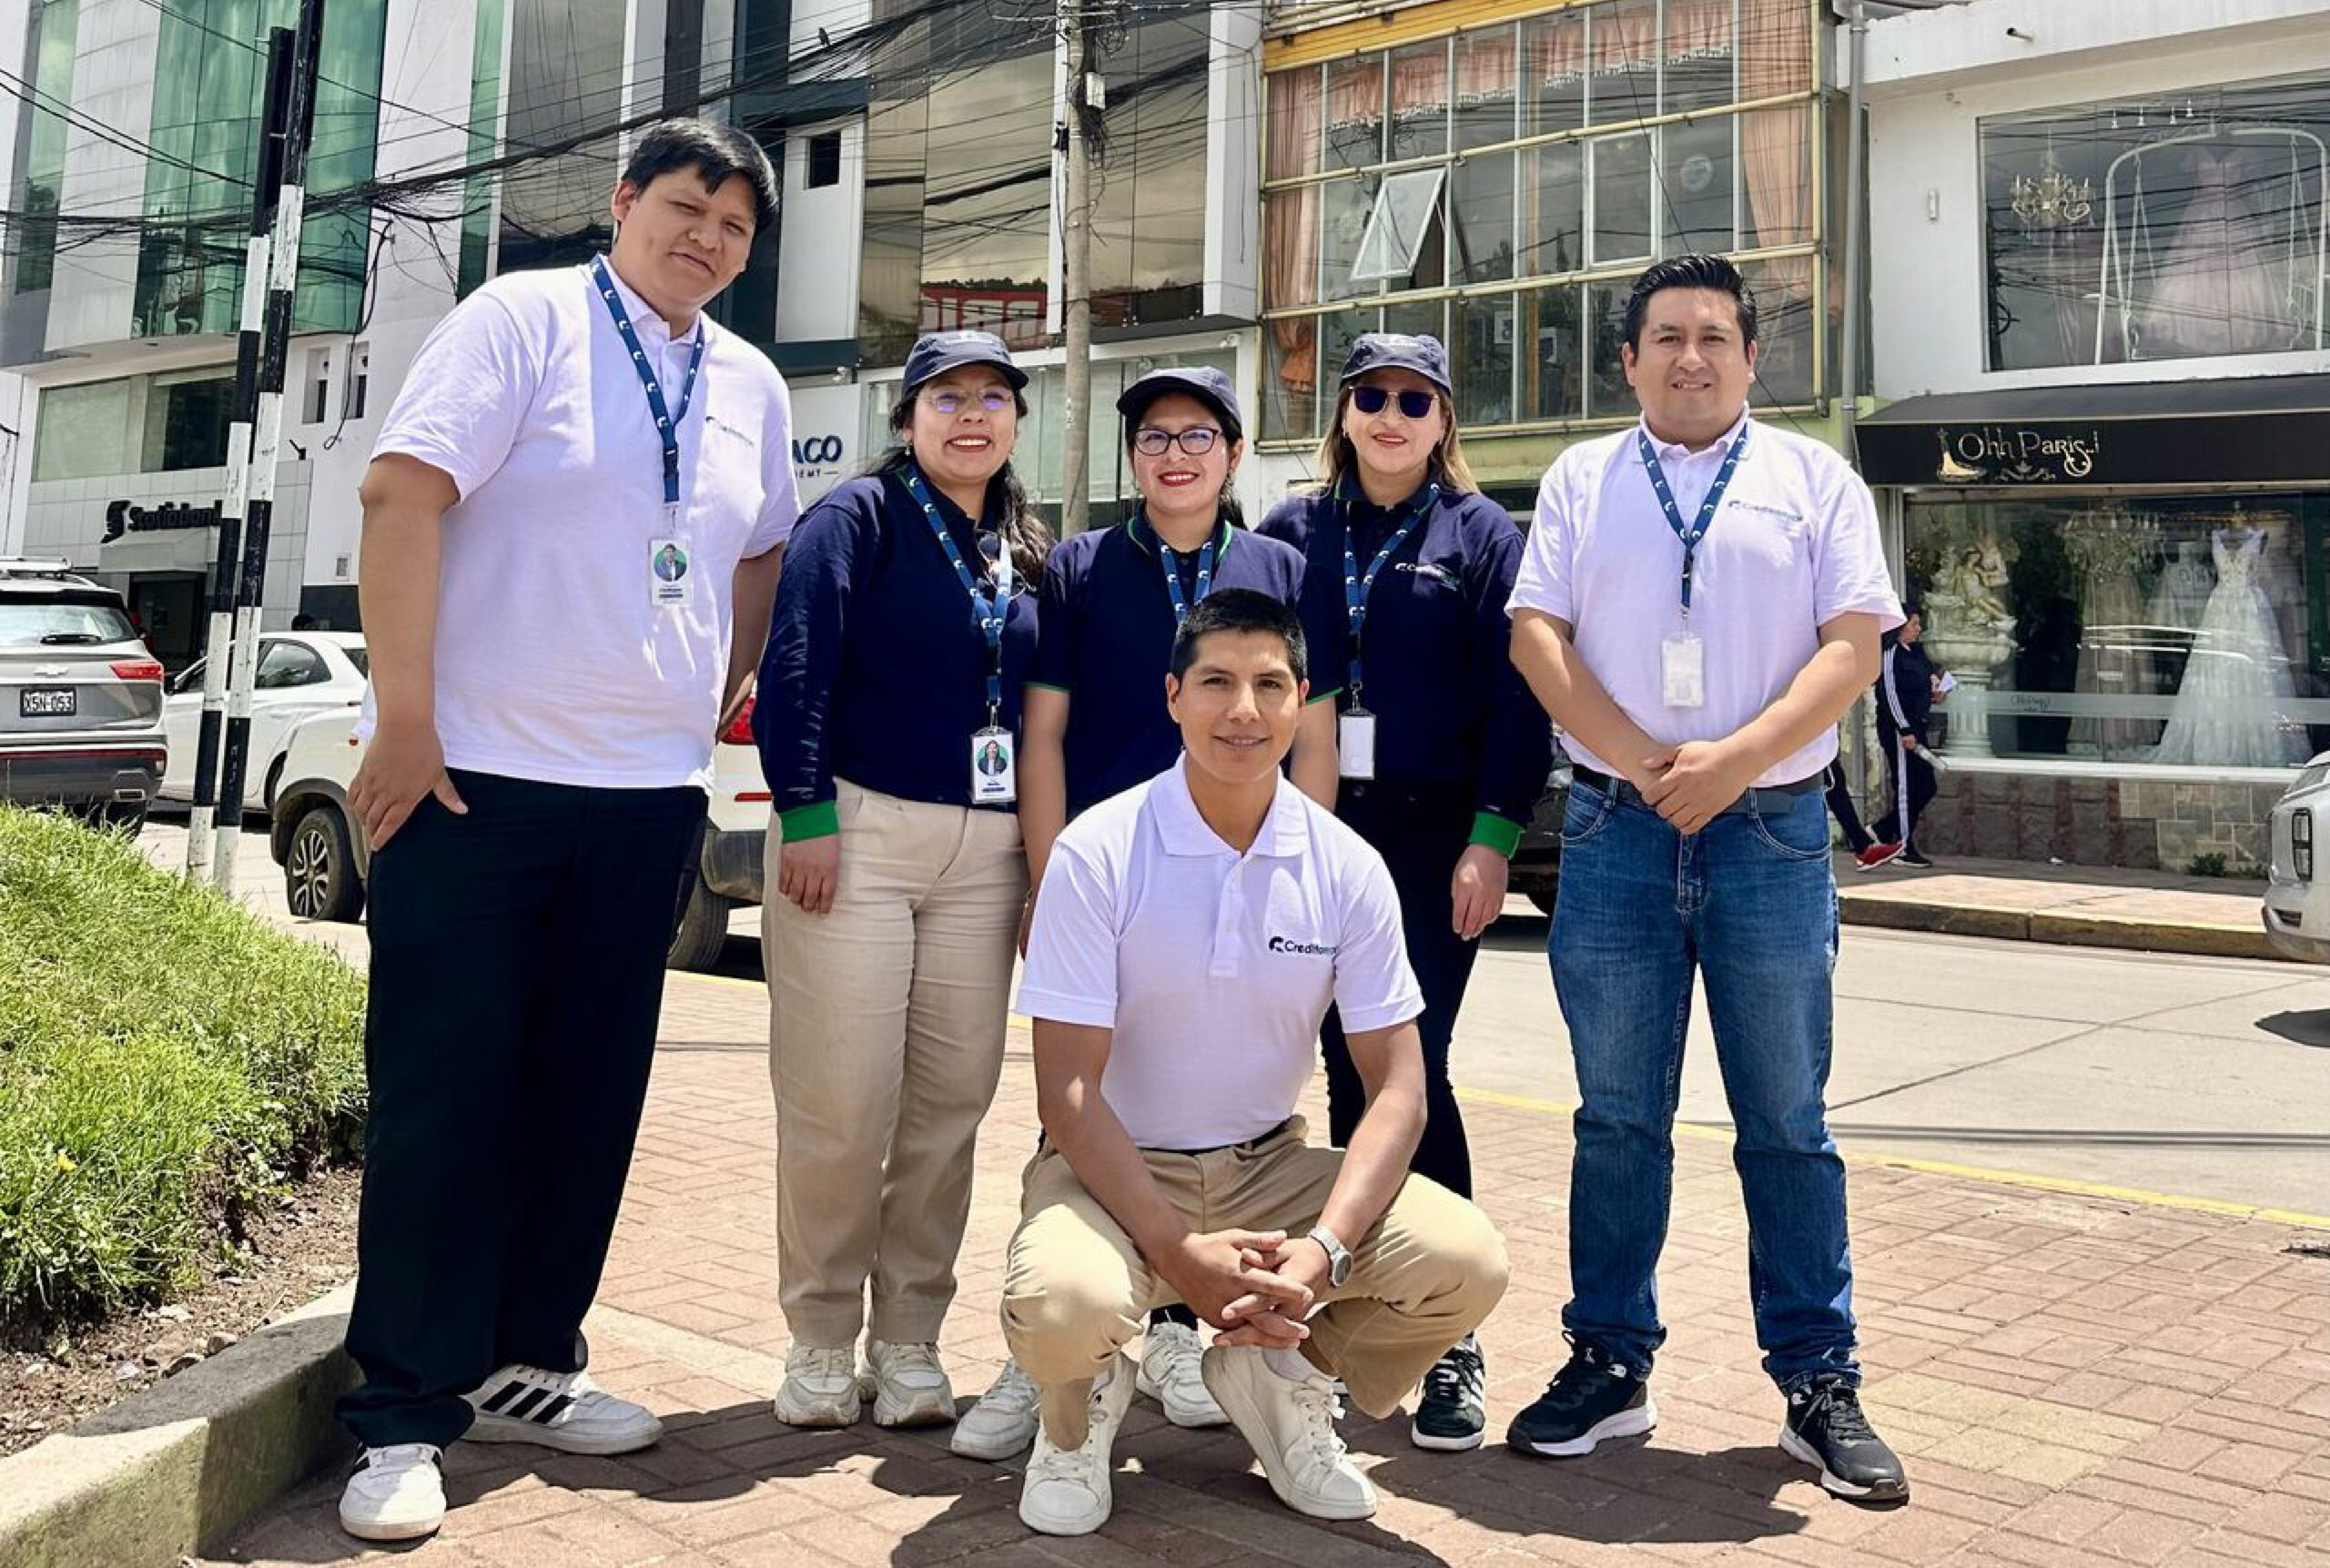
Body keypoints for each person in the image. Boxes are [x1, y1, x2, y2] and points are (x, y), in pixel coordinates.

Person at [333, 120, 792, 1543]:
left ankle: (530, 1359)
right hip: (476, 784)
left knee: (586, 1097)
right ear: (622, 201)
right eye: (685, 206)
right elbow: (402, 493)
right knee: (445, 1096)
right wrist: (406, 717)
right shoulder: (520, 321)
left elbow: (761, 547)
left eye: (735, 225)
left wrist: (710, 687)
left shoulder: (751, 381)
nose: (707, 238)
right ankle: (401, 1409)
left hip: (646, 798)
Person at [1505, 253, 1910, 1502]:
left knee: (1786, 1118)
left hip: (1770, 831)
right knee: (1617, 1115)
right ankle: (1608, 1359)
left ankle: (1818, 1379)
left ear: (1751, 358)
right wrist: (1646, 763)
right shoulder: (1581, 477)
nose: (1692, 356)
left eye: (1716, 336)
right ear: (1628, 360)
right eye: (1668, 336)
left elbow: (1853, 646)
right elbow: (1537, 636)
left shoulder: (1812, 478)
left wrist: (1733, 761)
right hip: (1617, 829)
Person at [1002, 589, 1509, 1537]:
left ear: (1301, 701)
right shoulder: (1098, 851)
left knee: (1465, 1261)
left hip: (1269, 1168)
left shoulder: (1345, 865)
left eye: (1270, 684)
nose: (1244, 709)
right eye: (1216, 682)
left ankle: (1281, 1372)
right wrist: (1173, 1252)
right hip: (1114, 1167)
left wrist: (1325, 1250)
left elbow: (1400, 1086)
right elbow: (1066, 1093)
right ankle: (1075, 1414)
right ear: (1172, 697)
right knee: (1063, 1302)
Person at [953, 368, 1321, 1461]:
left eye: (1197, 435)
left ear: (1233, 452)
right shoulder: (1080, 566)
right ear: (1132, 456)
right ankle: (1045, 1349)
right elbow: (1045, 734)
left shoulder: (1278, 567)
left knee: (1206, 1095)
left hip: (1239, 872)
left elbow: (1311, 728)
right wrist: (1048, 876)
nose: (1174, 456)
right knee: (1074, 1099)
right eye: (1153, 436)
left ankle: (1167, 1331)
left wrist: (1303, 866)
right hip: (1111, 876)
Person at [1255, 332, 1551, 1452]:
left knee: (1406, 1067)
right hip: (1305, 825)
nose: (1390, 416)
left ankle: (1449, 1333)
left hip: (1432, 837)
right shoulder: (1292, 530)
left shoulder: (1482, 537)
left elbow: (1519, 701)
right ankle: (1350, 1308)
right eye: (1370, 396)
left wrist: (1491, 840)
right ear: (1343, 412)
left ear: (1442, 420)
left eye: (1413, 400)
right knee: (1339, 1069)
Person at [755, 329, 1048, 1433]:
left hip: (986, 853)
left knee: (949, 1106)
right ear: (908, 414)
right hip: (857, 835)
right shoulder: (854, 518)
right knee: (840, 1103)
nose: (970, 416)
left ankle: (911, 1338)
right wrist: (805, 813)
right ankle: (822, 1337)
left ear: (1016, 419)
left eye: (992, 398)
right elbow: (797, 662)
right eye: (946, 397)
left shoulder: (1022, 543)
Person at [1862, 602, 1938, 871]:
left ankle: (1885, 828)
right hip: (1900, 730)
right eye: (1914, 624)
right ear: (1900, 625)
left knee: (1926, 784)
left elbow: (1925, 681)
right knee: (1906, 786)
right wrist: (1904, 729)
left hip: (1917, 726)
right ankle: (1903, 846)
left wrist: (1935, 691)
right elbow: (1889, 693)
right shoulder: (1890, 653)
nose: (1918, 629)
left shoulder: (1915, 653)